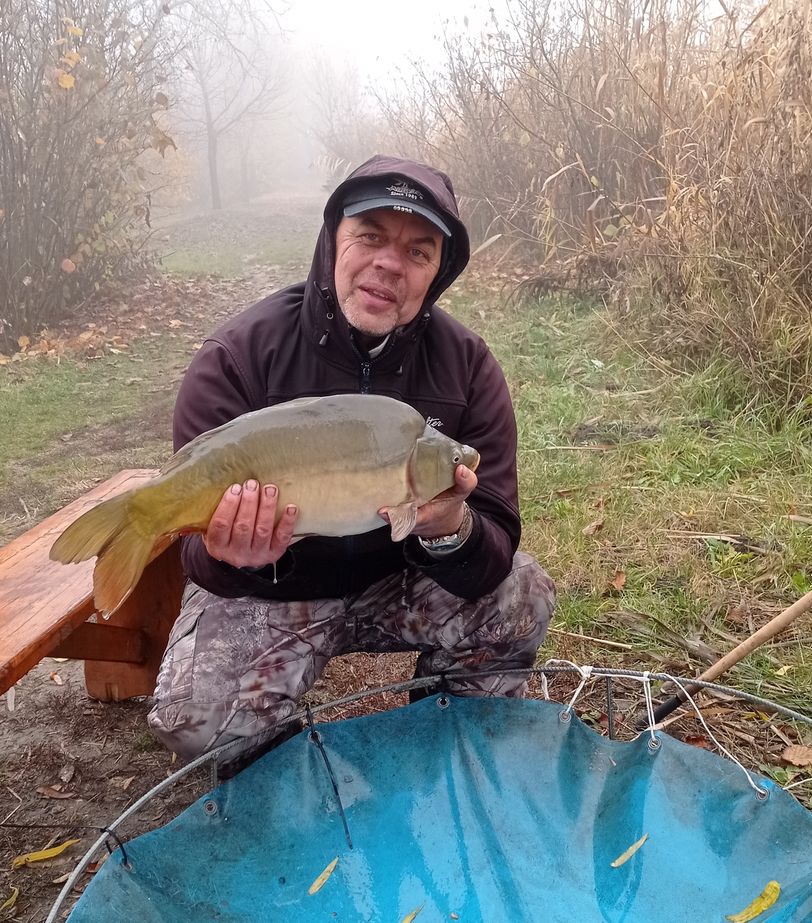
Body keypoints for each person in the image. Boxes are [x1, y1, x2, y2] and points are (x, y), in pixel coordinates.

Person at [147, 155, 556, 771]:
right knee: (196, 716)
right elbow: (198, 558)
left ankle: (445, 757)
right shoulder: (238, 357)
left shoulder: (469, 367)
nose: (390, 263)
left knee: (522, 596)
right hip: (274, 593)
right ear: (332, 240)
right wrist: (234, 555)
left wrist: (451, 527)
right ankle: (289, 777)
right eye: (370, 236)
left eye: (418, 252)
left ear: (438, 273)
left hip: (401, 582)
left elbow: (496, 543)